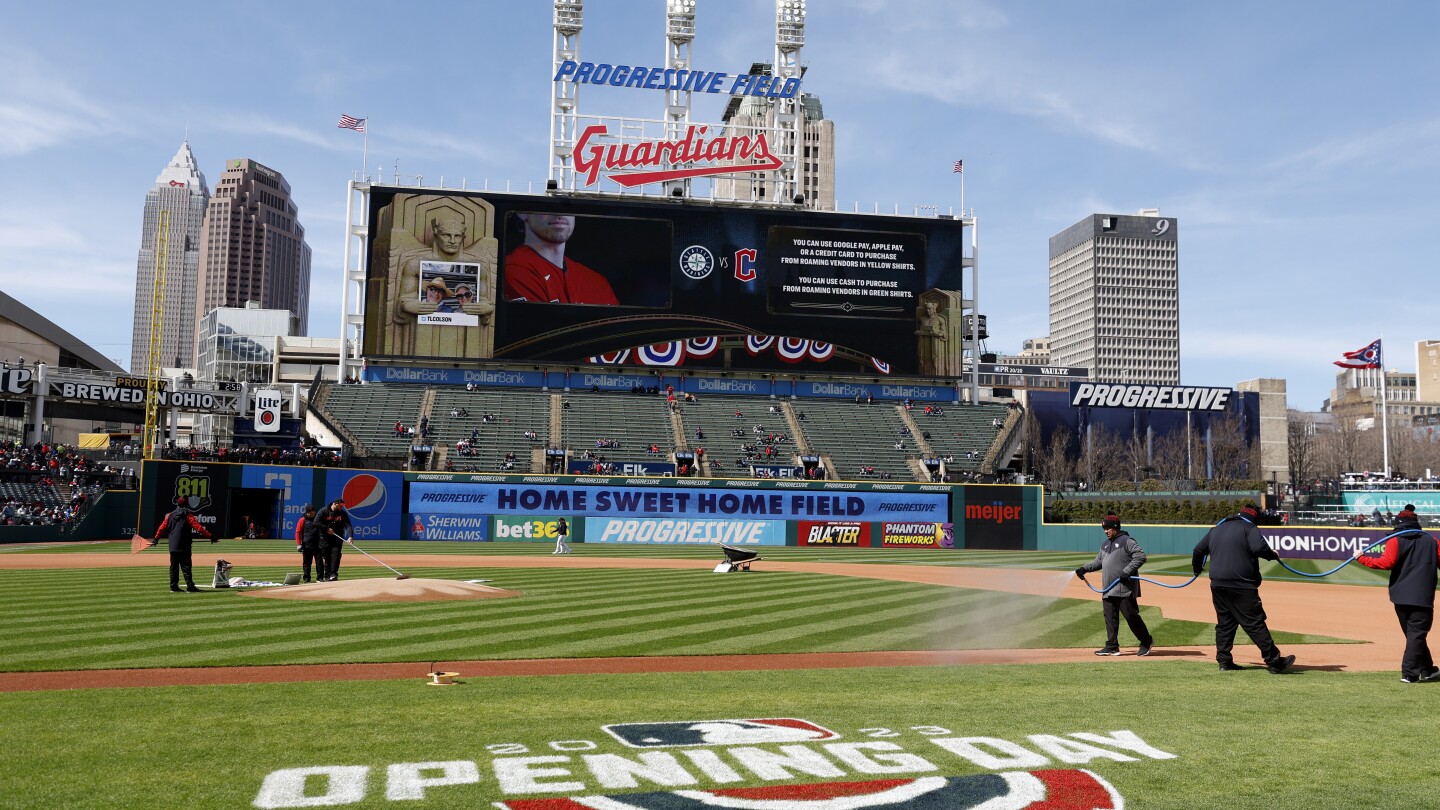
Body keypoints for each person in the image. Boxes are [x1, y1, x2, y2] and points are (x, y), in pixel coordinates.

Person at [1192, 504, 1295, 673]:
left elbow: (1198, 550)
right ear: (1254, 517)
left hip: (1218, 584)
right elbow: (1259, 548)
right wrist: (1272, 554)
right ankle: (1274, 661)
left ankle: (1224, 662)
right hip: (1241, 585)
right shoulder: (1249, 527)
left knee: (1225, 624)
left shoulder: (1217, 528)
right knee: (1254, 622)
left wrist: (1197, 569)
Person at [1353, 505, 1440, 682]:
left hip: (1400, 596)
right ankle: (1410, 673)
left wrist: (1361, 557)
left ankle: (1428, 669)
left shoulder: (1395, 540)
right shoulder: (1432, 541)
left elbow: (1386, 563)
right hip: (1422, 597)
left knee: (1414, 635)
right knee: (1416, 635)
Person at [1075, 514, 1155, 656]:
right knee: (1110, 618)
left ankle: (1146, 641)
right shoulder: (1105, 544)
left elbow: (1141, 556)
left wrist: (1127, 571)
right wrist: (1084, 568)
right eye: (1104, 528)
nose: (1106, 531)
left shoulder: (1127, 541)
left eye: (1109, 528)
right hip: (1108, 588)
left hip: (1124, 588)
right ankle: (1112, 646)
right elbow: (1098, 562)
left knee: (1131, 617)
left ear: (1116, 527)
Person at [503, 213, 618, 305]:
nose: (559, 213)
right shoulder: (514, 270)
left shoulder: (598, 283)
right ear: (523, 213)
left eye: (568, 206)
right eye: (548, 205)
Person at [151, 498, 214, 592]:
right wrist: (210, 536)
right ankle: (190, 586)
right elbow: (198, 528)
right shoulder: (187, 514)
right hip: (184, 546)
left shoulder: (170, 515)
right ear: (187, 504)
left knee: (174, 567)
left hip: (173, 546)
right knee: (186, 567)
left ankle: (173, 586)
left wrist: (156, 538)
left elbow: (161, 528)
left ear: (177, 504)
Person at [315, 498, 353, 581]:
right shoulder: (323, 511)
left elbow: (348, 525)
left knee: (336, 555)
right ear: (335, 504)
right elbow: (316, 522)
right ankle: (327, 575)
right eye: (341, 506)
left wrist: (350, 536)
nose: (342, 507)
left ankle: (333, 574)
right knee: (327, 557)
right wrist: (326, 528)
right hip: (325, 538)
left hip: (337, 538)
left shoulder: (342, 513)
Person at [295, 503, 326, 583]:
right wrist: (298, 544)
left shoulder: (318, 519)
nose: (312, 514)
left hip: (318, 544)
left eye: (313, 512)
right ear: (307, 512)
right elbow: (298, 532)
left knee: (319, 562)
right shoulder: (302, 520)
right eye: (310, 513)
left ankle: (319, 578)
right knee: (307, 563)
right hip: (307, 545)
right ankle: (306, 579)